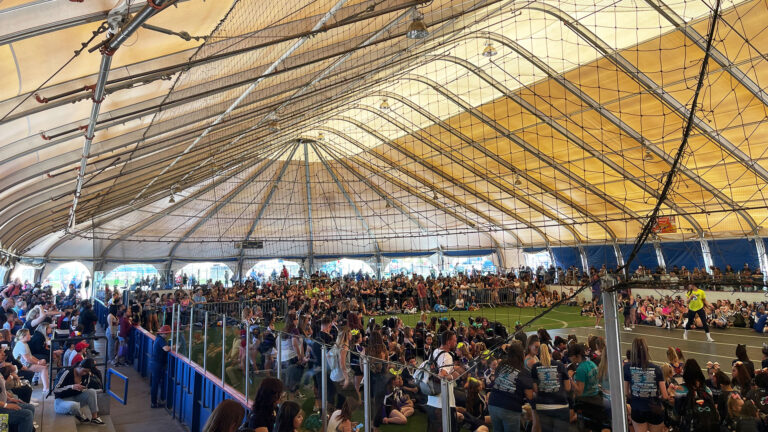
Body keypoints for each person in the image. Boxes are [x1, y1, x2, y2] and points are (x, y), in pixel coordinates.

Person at [623, 338, 668, 432]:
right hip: (654, 409)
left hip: (637, 409)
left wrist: (637, 396)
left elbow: (626, 392)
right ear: (647, 350)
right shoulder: (657, 369)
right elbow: (665, 395)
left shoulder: (627, 367)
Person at [487, 341, 533, 432]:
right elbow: (530, 395)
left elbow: (496, 379)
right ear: (521, 355)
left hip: (493, 404)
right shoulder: (524, 372)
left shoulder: (502, 364)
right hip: (509, 408)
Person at [426, 330, 465, 432]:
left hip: (432, 399)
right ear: (448, 342)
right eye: (454, 340)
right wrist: (454, 375)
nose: (456, 343)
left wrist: (454, 368)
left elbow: (438, 368)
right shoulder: (447, 356)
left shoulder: (435, 351)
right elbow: (441, 375)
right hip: (443, 403)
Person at [52, 358, 105, 424]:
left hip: (74, 398)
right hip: (61, 401)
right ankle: (80, 415)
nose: (84, 373)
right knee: (74, 405)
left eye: (87, 372)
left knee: (92, 391)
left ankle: (94, 418)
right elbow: (55, 390)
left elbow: (85, 389)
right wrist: (72, 386)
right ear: (80, 366)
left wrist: (84, 389)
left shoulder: (86, 375)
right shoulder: (67, 372)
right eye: (84, 371)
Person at [531, 344, 570, 431]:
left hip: (542, 406)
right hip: (560, 405)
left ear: (538, 355)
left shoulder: (534, 367)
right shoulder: (560, 365)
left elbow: (536, 390)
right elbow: (568, 388)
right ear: (550, 353)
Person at [12, 328, 49, 394]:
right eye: (28, 334)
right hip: (22, 365)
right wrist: (38, 362)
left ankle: (45, 386)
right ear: (23, 336)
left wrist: (39, 361)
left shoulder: (24, 343)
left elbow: (30, 356)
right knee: (44, 368)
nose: (30, 336)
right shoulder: (21, 345)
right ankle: (46, 389)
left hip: (25, 363)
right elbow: (27, 359)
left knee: (44, 366)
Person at [150, 325, 172, 408]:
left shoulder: (158, 338)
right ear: (163, 333)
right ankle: (154, 403)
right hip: (157, 364)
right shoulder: (161, 340)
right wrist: (173, 347)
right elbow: (166, 349)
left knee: (155, 384)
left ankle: (155, 401)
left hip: (155, 363)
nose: (167, 335)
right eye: (167, 333)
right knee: (155, 384)